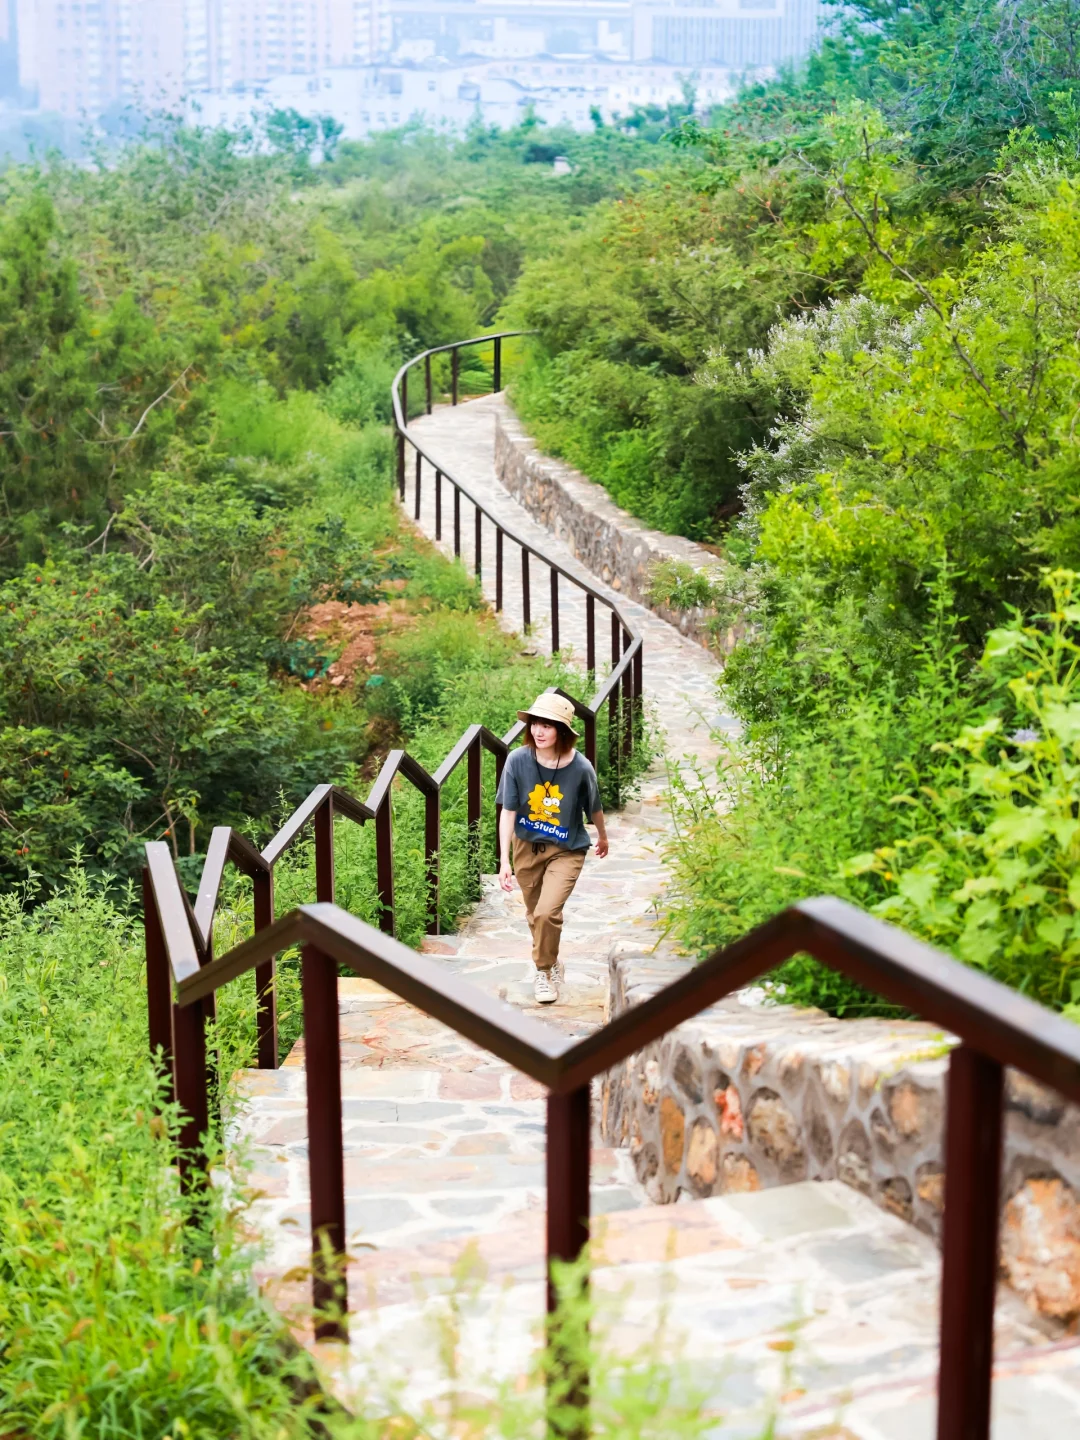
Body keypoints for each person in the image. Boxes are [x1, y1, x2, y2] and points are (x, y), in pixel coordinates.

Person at [496, 692, 608, 1004]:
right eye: (535, 724)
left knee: (547, 912)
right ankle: (553, 961)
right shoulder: (517, 761)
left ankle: (543, 972)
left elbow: (594, 806)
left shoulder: (581, 768)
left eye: (548, 725)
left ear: (562, 731)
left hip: (567, 848)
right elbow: (508, 810)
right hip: (526, 848)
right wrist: (504, 860)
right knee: (535, 914)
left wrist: (602, 835)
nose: (539, 731)